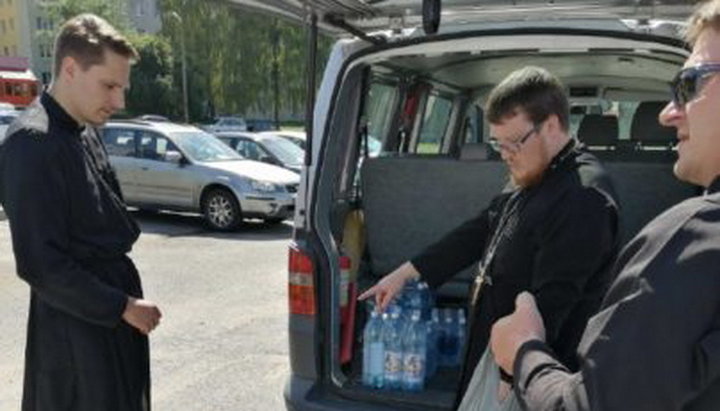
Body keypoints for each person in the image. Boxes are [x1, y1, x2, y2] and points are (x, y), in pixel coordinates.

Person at [490, 2, 720, 410]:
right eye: (498, 145)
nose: (669, 114)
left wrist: (523, 352)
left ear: (553, 127)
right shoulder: (527, 182)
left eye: (689, 85)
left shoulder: (692, 236)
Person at [359, 66, 620, 405]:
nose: (505, 154)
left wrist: (513, 375)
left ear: (552, 125)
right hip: (495, 350)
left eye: (514, 142)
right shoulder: (536, 168)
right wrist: (407, 273)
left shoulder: (583, 196)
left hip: (529, 370)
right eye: (498, 143)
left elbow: (557, 302)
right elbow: (485, 227)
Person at [0, 14, 161, 411]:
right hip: (75, 337)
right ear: (70, 69)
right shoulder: (30, 144)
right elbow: (41, 265)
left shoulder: (84, 129)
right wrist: (120, 306)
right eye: (110, 85)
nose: (119, 101)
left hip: (110, 322)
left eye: (122, 87)